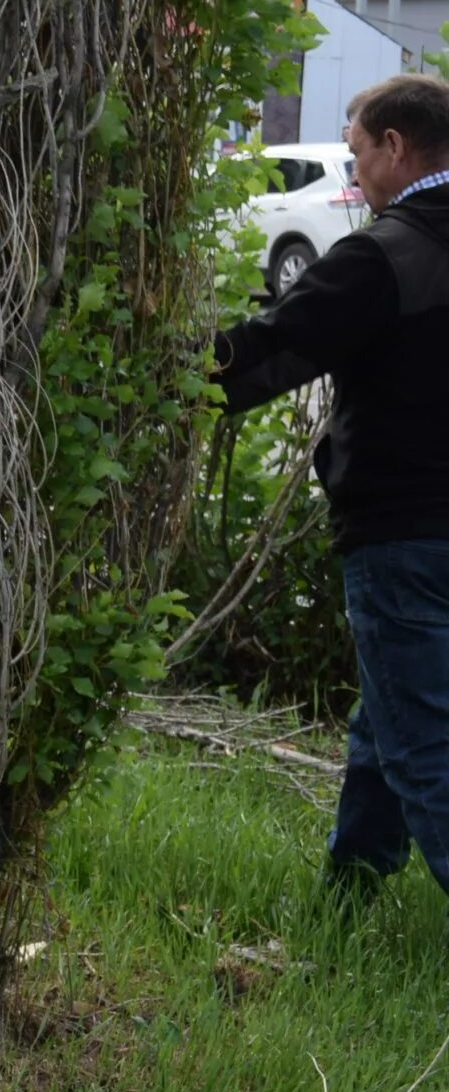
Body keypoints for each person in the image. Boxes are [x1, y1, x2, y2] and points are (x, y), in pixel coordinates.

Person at [214, 73, 449, 901]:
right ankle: (347, 899)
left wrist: (164, 374)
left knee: (424, 747)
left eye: (356, 154)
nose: (352, 177)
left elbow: (277, 343)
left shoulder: (386, 255)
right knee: (386, 721)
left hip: (404, 531)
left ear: (395, 146)